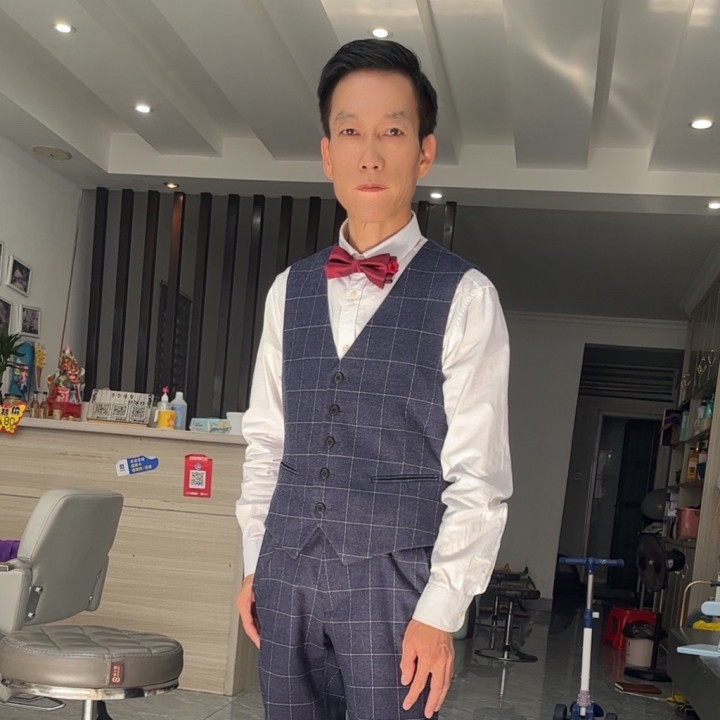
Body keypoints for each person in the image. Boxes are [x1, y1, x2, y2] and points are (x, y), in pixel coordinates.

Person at [236, 38, 512, 720]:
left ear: (424, 151)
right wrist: (254, 563)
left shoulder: (466, 295)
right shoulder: (288, 290)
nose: (370, 154)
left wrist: (440, 611)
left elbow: (478, 476)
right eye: (350, 131)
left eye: (392, 131)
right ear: (327, 153)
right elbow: (266, 442)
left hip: (396, 587)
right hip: (285, 572)